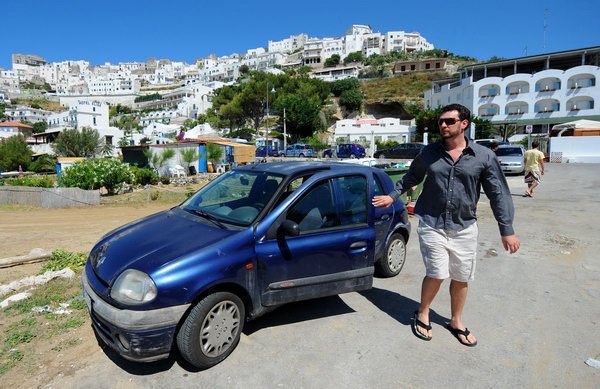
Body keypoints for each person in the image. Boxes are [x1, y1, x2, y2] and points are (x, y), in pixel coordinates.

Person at [372, 103, 520, 347]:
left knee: (462, 277)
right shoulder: (429, 153)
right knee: (437, 273)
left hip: (464, 226)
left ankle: (456, 321)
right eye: (441, 121)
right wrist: (393, 195)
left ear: (464, 124)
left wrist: (507, 230)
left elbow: (499, 194)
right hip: (432, 223)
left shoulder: (484, 156)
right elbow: (412, 176)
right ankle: (423, 312)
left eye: (449, 121)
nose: (443, 125)